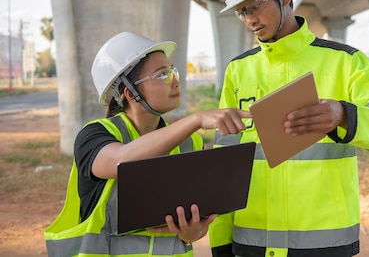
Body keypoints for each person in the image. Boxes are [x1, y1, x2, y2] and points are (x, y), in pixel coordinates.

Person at [209, 0, 369, 257]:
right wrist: (220, 243)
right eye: (242, 11)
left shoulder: (346, 62)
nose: (249, 19)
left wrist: (344, 115)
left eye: (255, 6)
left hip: (323, 244)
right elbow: (225, 164)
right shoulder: (238, 70)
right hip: (252, 242)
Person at [44, 31, 250, 256]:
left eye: (173, 71)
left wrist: (192, 233)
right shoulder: (94, 136)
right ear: (129, 93)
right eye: (162, 75)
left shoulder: (190, 143)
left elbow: (197, 227)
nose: (174, 80)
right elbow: (121, 161)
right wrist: (196, 119)